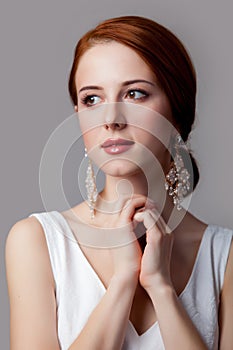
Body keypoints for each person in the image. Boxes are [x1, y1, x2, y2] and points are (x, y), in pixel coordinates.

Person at [5, 15, 233, 350]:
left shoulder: (224, 257)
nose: (111, 119)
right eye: (92, 99)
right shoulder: (37, 241)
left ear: (177, 112)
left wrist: (161, 287)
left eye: (135, 93)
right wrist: (123, 281)